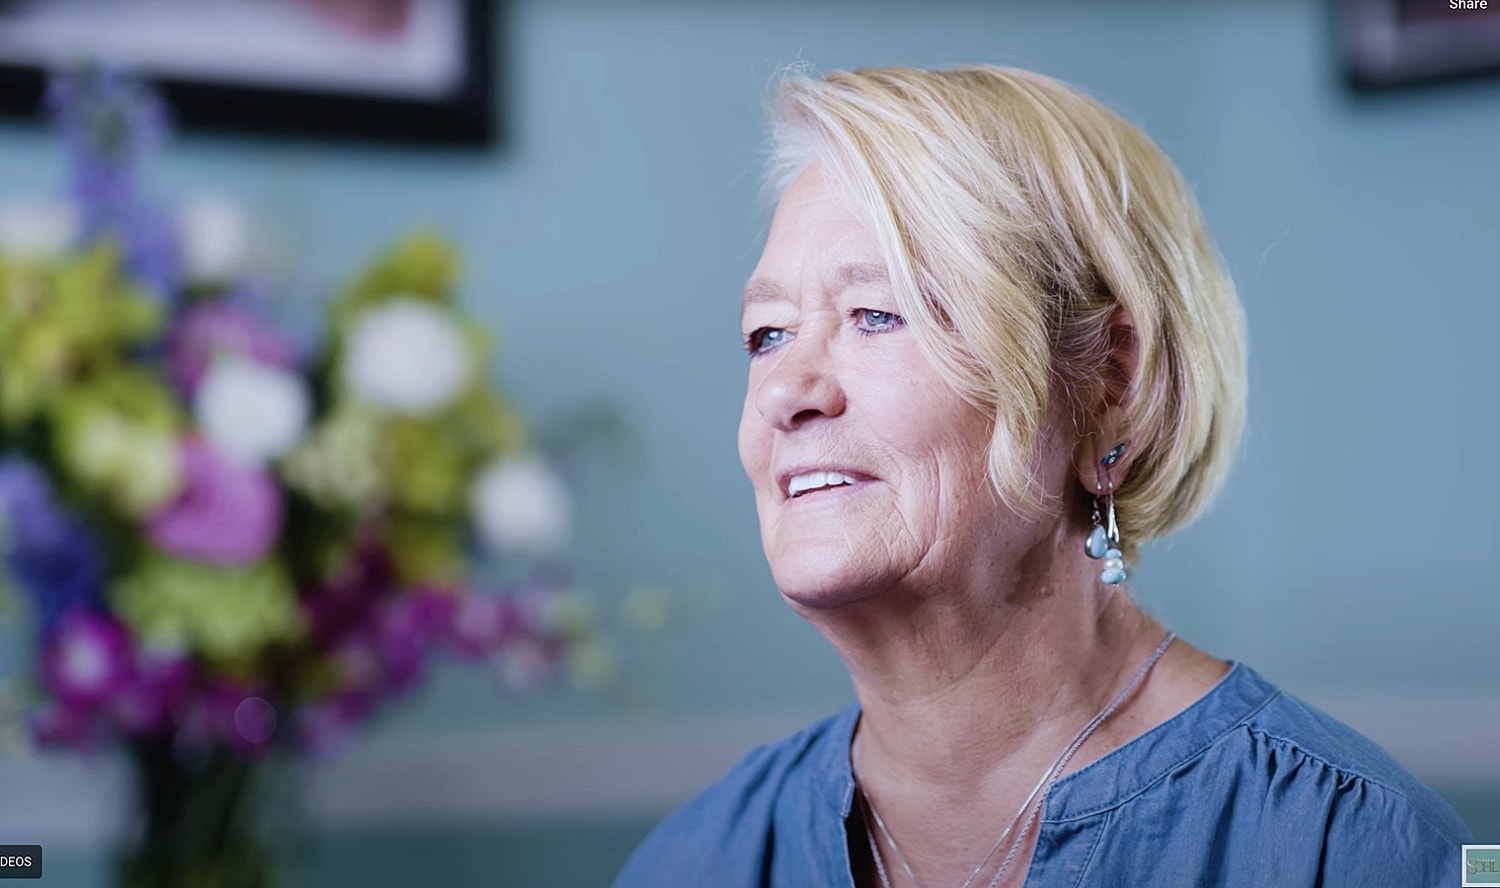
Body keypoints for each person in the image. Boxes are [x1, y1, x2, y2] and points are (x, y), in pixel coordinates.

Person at [612, 64, 1472, 887]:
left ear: (1111, 388)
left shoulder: (1368, 849)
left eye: (878, 314)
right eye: (767, 335)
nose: (785, 394)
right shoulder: (695, 860)